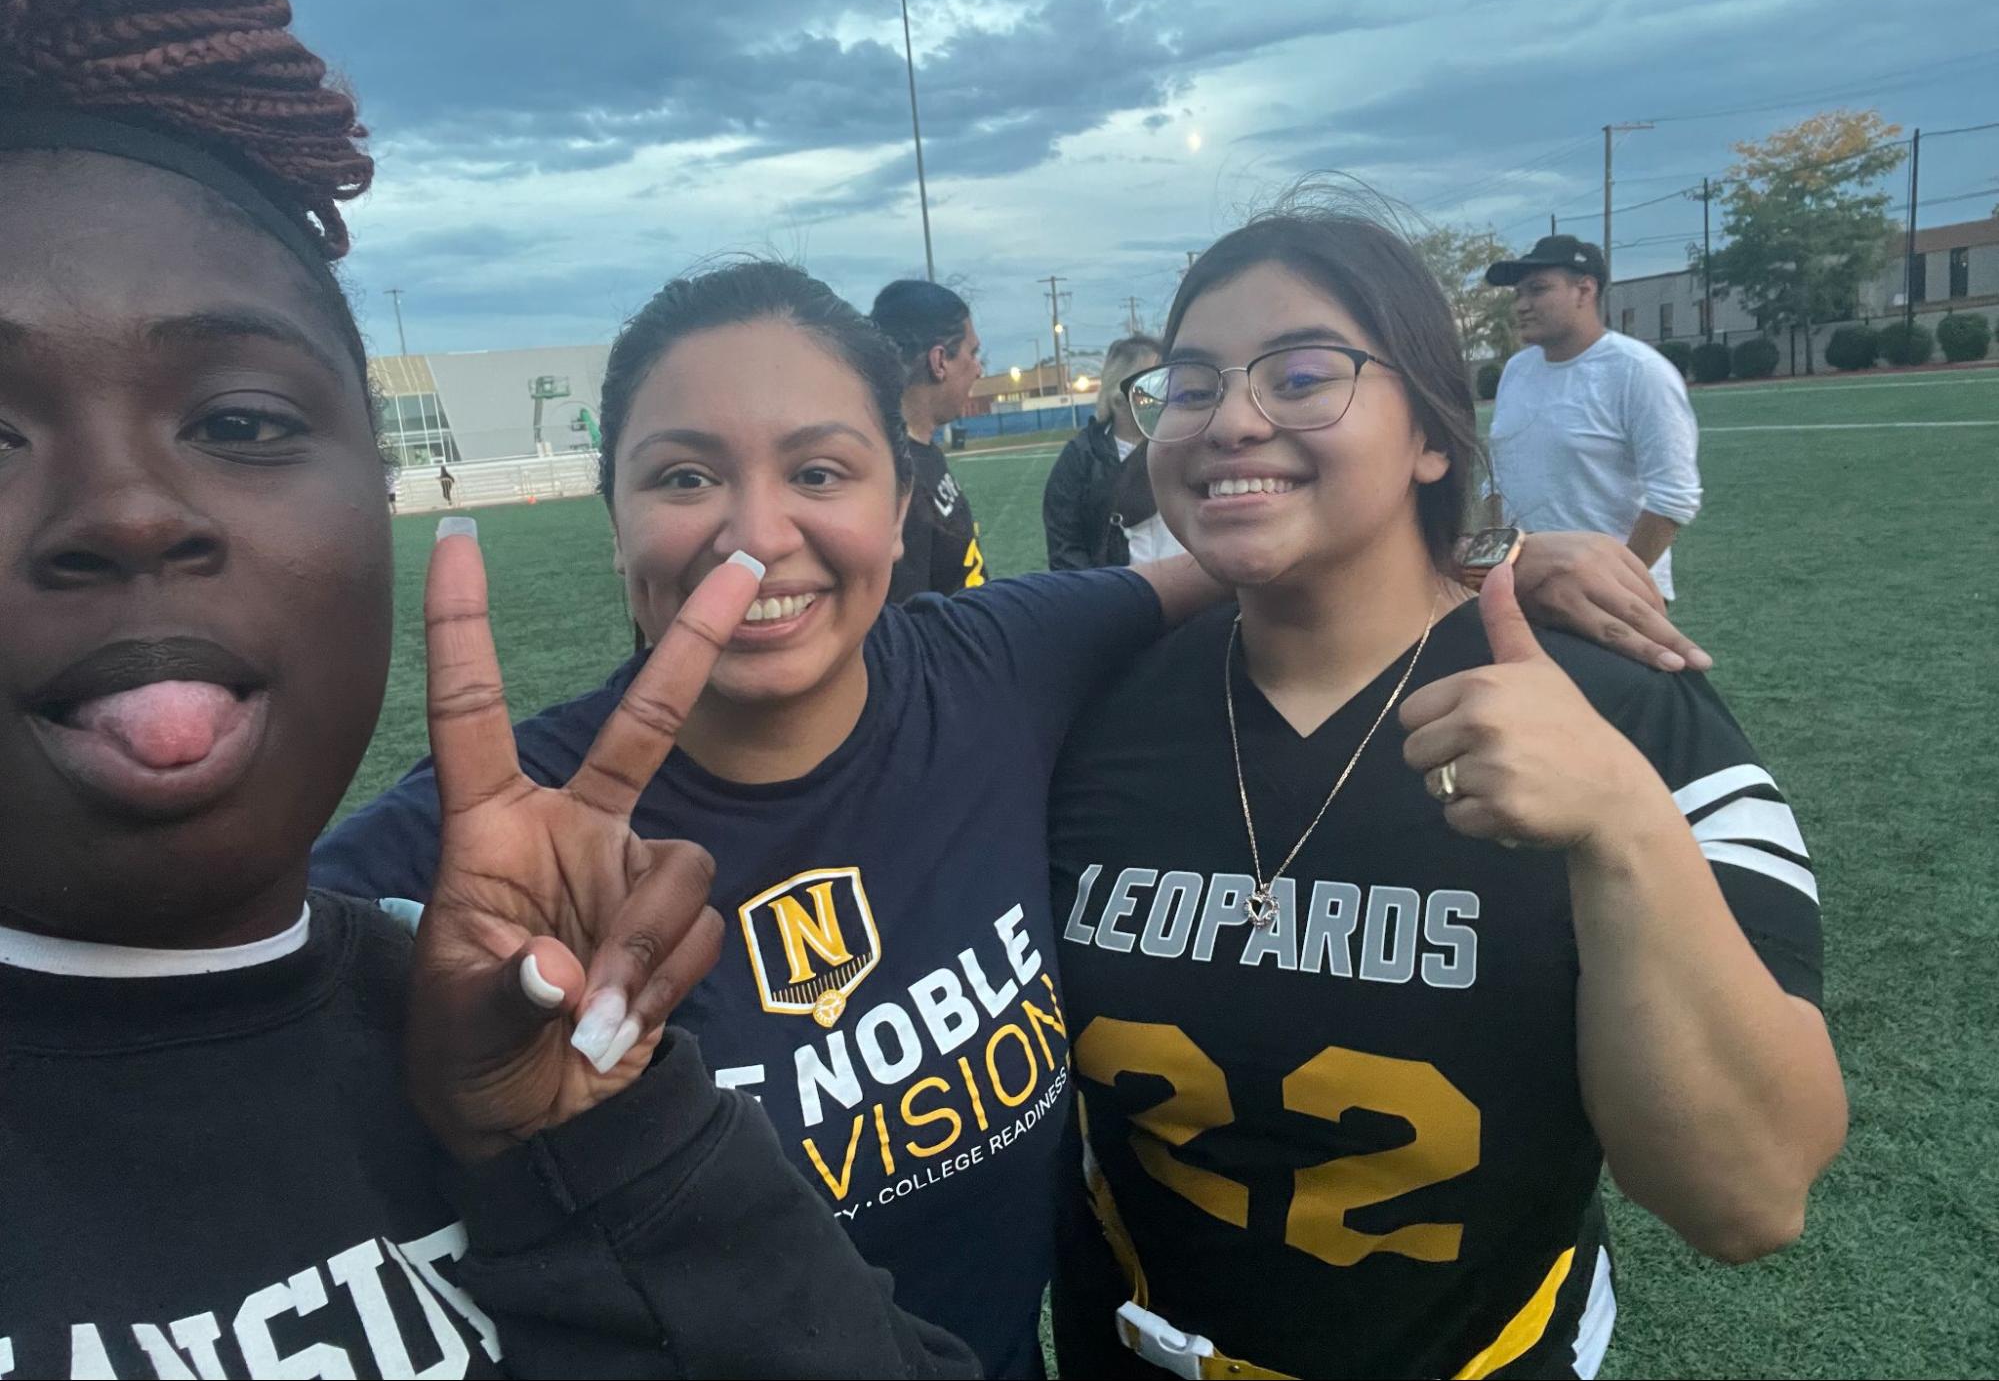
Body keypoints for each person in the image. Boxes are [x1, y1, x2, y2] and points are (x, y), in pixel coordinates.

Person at [312, 258, 1692, 1377]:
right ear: (610, 517)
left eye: (819, 471)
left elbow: (1249, 556)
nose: (753, 533)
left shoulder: (1000, 663)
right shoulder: (502, 840)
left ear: (903, 499)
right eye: (680, 478)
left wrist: (1494, 556)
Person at [0, 0, 977, 1375]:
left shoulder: (487, 1004)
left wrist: (615, 1138)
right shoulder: (416, 855)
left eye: (241, 418)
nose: (128, 512)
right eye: (683, 474)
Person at [1048, 206, 1845, 1380]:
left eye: (1304, 374)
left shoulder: (1626, 707)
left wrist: (1623, 825)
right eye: (1189, 384)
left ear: (1431, 432)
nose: (1231, 420)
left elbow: (1750, 1200)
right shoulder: (1083, 705)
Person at [1484, 235, 1702, 599]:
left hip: (1611, 596)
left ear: (1584, 290)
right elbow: (1497, 478)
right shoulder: (1517, 371)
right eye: (1517, 294)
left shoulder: (1639, 371)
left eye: (1537, 290)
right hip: (1522, 587)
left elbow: (1673, 498)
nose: (1521, 305)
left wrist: (1612, 585)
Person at [869, 279, 986, 600]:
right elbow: (908, 622)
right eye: (972, 352)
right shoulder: (893, 475)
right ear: (939, 361)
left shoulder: (921, 450)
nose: (978, 369)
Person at [1041, 335, 1183, 570]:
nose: (1165, 391)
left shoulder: (1186, 444)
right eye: (1152, 382)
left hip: (1193, 595)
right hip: (1121, 597)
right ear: (1119, 396)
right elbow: (1065, 547)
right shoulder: (1080, 457)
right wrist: (1104, 595)